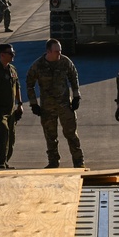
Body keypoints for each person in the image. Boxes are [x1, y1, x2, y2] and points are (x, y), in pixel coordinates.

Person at [26, 38, 84, 168]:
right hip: (47, 107)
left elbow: (74, 78)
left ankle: (78, 161)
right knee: (50, 136)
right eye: (56, 51)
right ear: (48, 51)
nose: (59, 53)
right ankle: (53, 162)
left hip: (64, 105)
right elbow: (29, 84)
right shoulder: (38, 65)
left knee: (71, 134)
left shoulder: (65, 62)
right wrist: (34, 103)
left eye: (60, 51)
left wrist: (76, 96)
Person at [0, 43, 23, 168]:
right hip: (0, 110)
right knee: (3, 134)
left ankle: (6, 161)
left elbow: (17, 87)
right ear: (2, 55)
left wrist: (20, 104)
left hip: (11, 109)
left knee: (11, 137)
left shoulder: (13, 69)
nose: (13, 55)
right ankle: (0, 162)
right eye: (10, 53)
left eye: (13, 53)